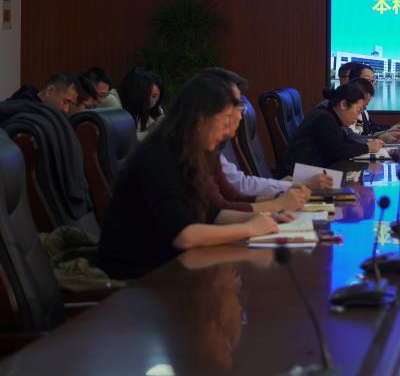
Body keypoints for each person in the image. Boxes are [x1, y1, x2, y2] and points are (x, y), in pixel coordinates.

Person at [98, 73, 280, 280]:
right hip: (138, 278)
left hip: (170, 267)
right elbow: (184, 236)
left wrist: (265, 218)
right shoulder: (160, 156)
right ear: (201, 119)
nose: (228, 133)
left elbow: (215, 214)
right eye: (225, 121)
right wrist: (248, 228)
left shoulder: (192, 152)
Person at [200, 66, 332, 195]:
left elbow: (240, 185)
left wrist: (289, 186)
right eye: (236, 107)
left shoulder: (211, 150)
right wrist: (291, 189)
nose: (240, 116)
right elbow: (230, 199)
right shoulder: (195, 155)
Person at [282, 83, 385, 172]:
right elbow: (339, 151)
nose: (358, 116)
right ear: (343, 104)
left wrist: (370, 144)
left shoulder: (331, 116)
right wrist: (367, 147)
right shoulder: (323, 119)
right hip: (300, 177)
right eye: (358, 110)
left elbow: (346, 142)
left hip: (313, 172)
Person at [337, 61, 400, 140]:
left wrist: (389, 131)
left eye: (373, 80)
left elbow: (367, 131)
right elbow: (348, 141)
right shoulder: (341, 109)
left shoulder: (362, 110)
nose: (372, 85)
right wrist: (379, 138)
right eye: (367, 81)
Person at [8, 71, 80, 115]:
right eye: (65, 102)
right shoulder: (24, 111)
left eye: (70, 104)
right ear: (50, 91)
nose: (66, 110)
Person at [118, 67, 161, 140]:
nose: (153, 100)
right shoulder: (115, 103)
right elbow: (125, 137)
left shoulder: (139, 110)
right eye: (148, 94)